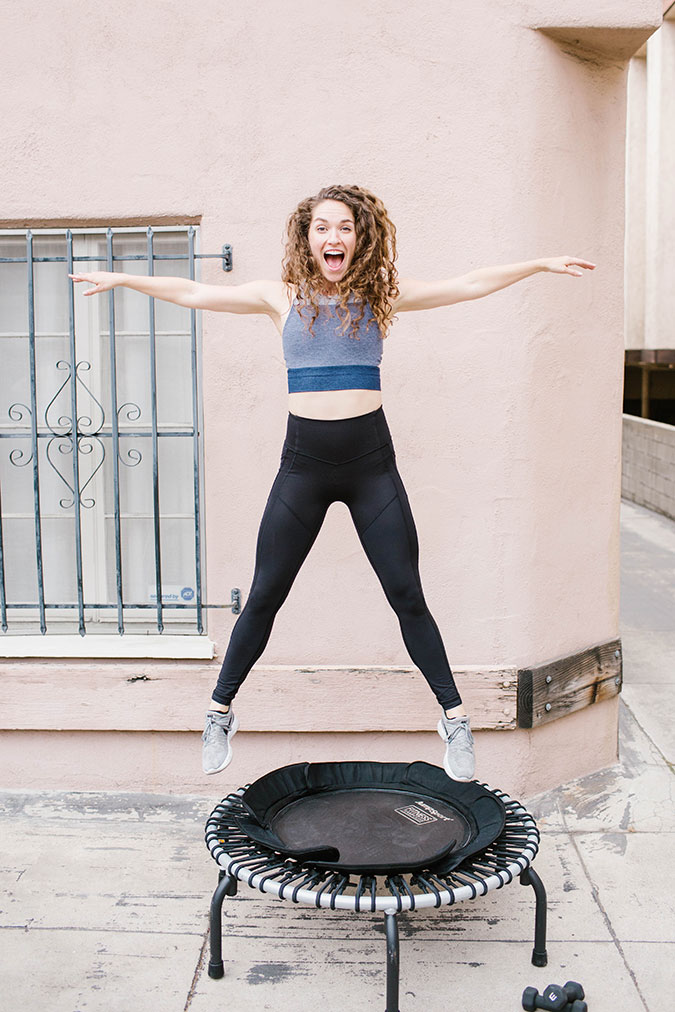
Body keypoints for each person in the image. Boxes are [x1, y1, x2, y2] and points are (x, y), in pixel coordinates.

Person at [69, 184, 595, 782]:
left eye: (343, 227)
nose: (333, 237)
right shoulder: (281, 297)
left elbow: (467, 284)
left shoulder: (381, 298)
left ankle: (454, 717)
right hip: (305, 469)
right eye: (322, 227)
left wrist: (538, 264)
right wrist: (126, 279)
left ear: (359, 235)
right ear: (307, 237)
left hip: (372, 468)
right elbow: (195, 291)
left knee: (407, 595)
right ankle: (219, 710)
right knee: (265, 592)